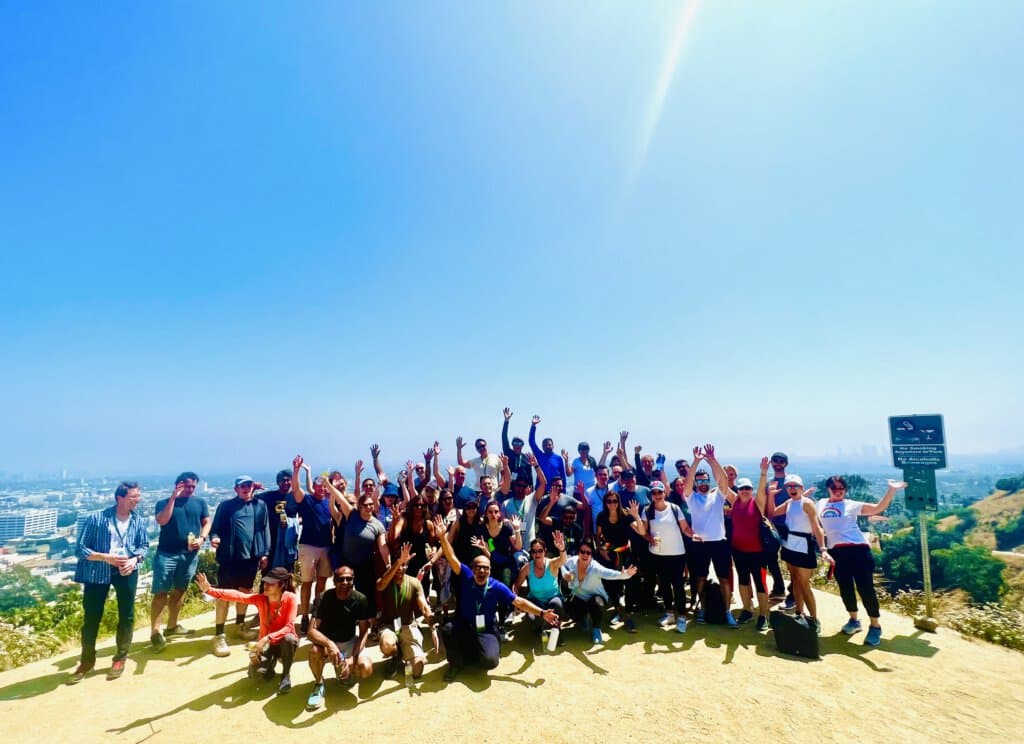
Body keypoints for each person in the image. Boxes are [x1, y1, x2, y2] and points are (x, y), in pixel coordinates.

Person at [434, 515, 559, 682]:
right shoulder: (465, 575)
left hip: (486, 629)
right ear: (472, 568)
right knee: (448, 629)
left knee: (490, 662)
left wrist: (542, 613)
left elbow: (519, 602)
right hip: (465, 625)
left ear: (490, 570)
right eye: (478, 567)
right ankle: (456, 664)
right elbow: (451, 557)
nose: (481, 571)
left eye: (485, 568)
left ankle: (478, 651)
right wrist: (443, 537)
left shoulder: (496, 586)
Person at [68, 481, 150, 684]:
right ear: (119, 498)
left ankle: (120, 657)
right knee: (92, 617)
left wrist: (135, 559)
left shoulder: (138, 520)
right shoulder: (97, 518)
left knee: (127, 615)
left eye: (138, 496)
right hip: (98, 571)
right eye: (133, 497)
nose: (137, 500)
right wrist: (106, 557)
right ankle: (87, 661)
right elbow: (80, 550)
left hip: (126, 570)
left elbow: (144, 546)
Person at [819, 476, 906, 646]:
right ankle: (854, 620)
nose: (838, 491)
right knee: (845, 588)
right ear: (828, 488)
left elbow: (878, 508)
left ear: (845, 490)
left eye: (841, 488)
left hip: (858, 550)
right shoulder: (821, 504)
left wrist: (891, 490)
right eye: (834, 488)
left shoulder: (851, 505)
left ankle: (875, 626)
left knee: (865, 589)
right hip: (836, 552)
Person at [196, 567, 299, 695]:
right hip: (265, 646)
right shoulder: (261, 599)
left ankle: (285, 675)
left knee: (289, 638)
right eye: (266, 582)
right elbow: (238, 596)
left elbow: (289, 627)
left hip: (281, 642)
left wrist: (267, 638)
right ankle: (269, 668)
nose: (266, 586)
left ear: (281, 585)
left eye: (271, 583)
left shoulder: (291, 598)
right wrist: (209, 590)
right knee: (256, 675)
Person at [209, 476, 271, 657]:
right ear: (236, 489)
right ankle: (219, 635)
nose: (246, 489)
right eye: (242, 486)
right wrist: (214, 538)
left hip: (251, 558)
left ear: (253, 487)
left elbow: (265, 529)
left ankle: (239, 626)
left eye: (249, 485)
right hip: (229, 558)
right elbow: (215, 528)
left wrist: (265, 552)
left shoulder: (260, 505)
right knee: (224, 596)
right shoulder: (226, 506)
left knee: (244, 592)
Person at [150, 471, 210, 651]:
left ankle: (172, 626)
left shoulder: (200, 503)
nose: (190, 490)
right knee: (160, 591)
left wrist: (202, 538)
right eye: (187, 486)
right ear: (178, 484)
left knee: (180, 589)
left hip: (189, 554)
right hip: (166, 553)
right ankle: (155, 632)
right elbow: (162, 520)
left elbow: (206, 522)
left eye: (193, 486)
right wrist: (172, 499)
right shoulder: (163, 503)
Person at [304, 564, 374, 710]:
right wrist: (329, 644)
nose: (345, 583)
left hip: (349, 642)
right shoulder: (323, 598)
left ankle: (345, 670)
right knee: (314, 653)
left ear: (353, 581)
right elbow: (311, 631)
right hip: (327, 643)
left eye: (349, 579)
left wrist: (353, 658)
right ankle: (318, 684)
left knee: (366, 669)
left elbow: (364, 632)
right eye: (341, 579)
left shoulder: (360, 600)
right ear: (334, 581)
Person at [682, 447, 738, 627]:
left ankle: (727, 612)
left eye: (705, 480)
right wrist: (696, 462)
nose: (702, 483)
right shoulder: (692, 498)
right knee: (700, 578)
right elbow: (687, 483)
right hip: (700, 544)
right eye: (699, 481)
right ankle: (702, 609)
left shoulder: (718, 497)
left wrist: (713, 460)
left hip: (719, 543)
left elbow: (723, 480)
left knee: (723, 578)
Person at [767, 474, 830, 633]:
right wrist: (771, 495)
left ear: (801, 488)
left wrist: (823, 549)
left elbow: (817, 528)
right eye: (789, 486)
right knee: (795, 581)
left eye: (796, 486)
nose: (792, 489)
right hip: (789, 545)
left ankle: (814, 619)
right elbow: (772, 512)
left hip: (803, 546)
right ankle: (799, 613)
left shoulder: (807, 503)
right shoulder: (790, 502)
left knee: (804, 584)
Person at [376, 542, 437, 679]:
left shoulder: (414, 582)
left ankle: (406, 655)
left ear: (407, 566)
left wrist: (432, 628)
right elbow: (380, 586)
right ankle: (396, 655)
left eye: (404, 565)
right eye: (398, 565)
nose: (400, 569)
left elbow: (424, 607)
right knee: (387, 645)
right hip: (389, 626)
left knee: (416, 671)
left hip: (407, 626)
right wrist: (398, 562)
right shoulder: (386, 579)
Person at [561, 538, 638, 645]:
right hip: (579, 598)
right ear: (578, 553)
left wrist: (626, 574)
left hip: (596, 598)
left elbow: (611, 574)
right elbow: (562, 564)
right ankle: (582, 618)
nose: (585, 555)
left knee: (597, 603)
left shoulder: (595, 567)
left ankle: (596, 629)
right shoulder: (572, 561)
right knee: (569, 608)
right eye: (582, 552)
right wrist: (565, 574)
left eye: (588, 553)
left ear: (591, 555)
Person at [291, 455, 336, 634]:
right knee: (307, 582)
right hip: (308, 546)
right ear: (314, 488)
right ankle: (304, 615)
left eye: (324, 487)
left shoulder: (329, 502)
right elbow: (296, 489)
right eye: (318, 487)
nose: (321, 490)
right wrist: (296, 470)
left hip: (326, 547)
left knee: (322, 582)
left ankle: (318, 613)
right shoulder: (307, 500)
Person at [642, 481, 695, 633]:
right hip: (658, 554)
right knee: (664, 585)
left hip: (677, 553)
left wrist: (694, 535)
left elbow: (684, 528)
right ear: (651, 495)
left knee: (678, 586)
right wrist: (648, 538)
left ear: (664, 493)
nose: (657, 495)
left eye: (660, 492)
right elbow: (644, 531)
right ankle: (669, 614)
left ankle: (682, 618)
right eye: (654, 493)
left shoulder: (674, 508)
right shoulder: (647, 510)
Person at [729, 459, 772, 631]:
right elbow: (723, 484)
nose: (745, 491)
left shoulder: (757, 504)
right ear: (737, 491)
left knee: (760, 583)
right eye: (742, 488)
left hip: (757, 552)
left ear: (751, 490)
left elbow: (762, 490)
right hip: (738, 551)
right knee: (743, 581)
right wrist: (712, 461)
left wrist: (763, 473)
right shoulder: (734, 502)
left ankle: (763, 615)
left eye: (748, 488)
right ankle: (747, 609)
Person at [595, 491, 646, 632]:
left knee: (631, 581)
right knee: (611, 583)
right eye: (609, 501)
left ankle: (627, 612)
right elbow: (598, 536)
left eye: (614, 501)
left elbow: (641, 532)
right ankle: (620, 610)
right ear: (605, 503)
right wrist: (600, 549)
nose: (612, 504)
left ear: (618, 502)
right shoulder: (601, 516)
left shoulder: (626, 516)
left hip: (625, 553)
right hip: (608, 554)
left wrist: (636, 515)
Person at [516, 532, 569, 645]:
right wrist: (515, 602)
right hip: (535, 601)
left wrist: (562, 548)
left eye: (540, 550)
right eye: (534, 551)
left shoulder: (552, 564)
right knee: (532, 620)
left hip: (553, 599)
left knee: (557, 605)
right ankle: (540, 628)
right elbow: (516, 585)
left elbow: (563, 560)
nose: (537, 554)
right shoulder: (527, 568)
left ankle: (556, 628)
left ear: (545, 551)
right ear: (531, 553)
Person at [257, 469, 299, 570]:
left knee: (287, 570)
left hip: (288, 540)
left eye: (288, 480)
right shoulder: (269, 496)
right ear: (278, 482)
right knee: (269, 569)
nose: (286, 483)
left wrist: (291, 522)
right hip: (271, 539)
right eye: (282, 480)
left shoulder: (296, 497)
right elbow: (250, 499)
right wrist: (253, 487)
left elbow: (303, 516)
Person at [765, 451, 791, 603]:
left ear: (786, 464)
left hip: (790, 525)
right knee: (771, 558)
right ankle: (779, 587)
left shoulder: (791, 482)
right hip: (773, 525)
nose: (778, 463)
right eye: (775, 460)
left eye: (781, 461)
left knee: (791, 559)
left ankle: (793, 592)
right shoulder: (769, 483)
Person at [528, 414, 567, 493]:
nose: (547, 446)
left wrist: (564, 491)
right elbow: (531, 442)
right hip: (541, 491)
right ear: (542, 447)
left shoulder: (558, 458)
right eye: (545, 445)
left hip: (556, 491)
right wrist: (533, 426)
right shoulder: (539, 455)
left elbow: (563, 476)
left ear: (553, 446)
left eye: (549, 444)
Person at [501, 407, 534, 488]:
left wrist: (531, 487)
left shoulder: (526, 457)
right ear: (512, 444)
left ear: (522, 445)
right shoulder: (508, 453)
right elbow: (504, 437)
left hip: (523, 488)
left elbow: (530, 474)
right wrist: (506, 421)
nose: (517, 445)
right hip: (509, 487)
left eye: (519, 443)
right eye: (515, 442)